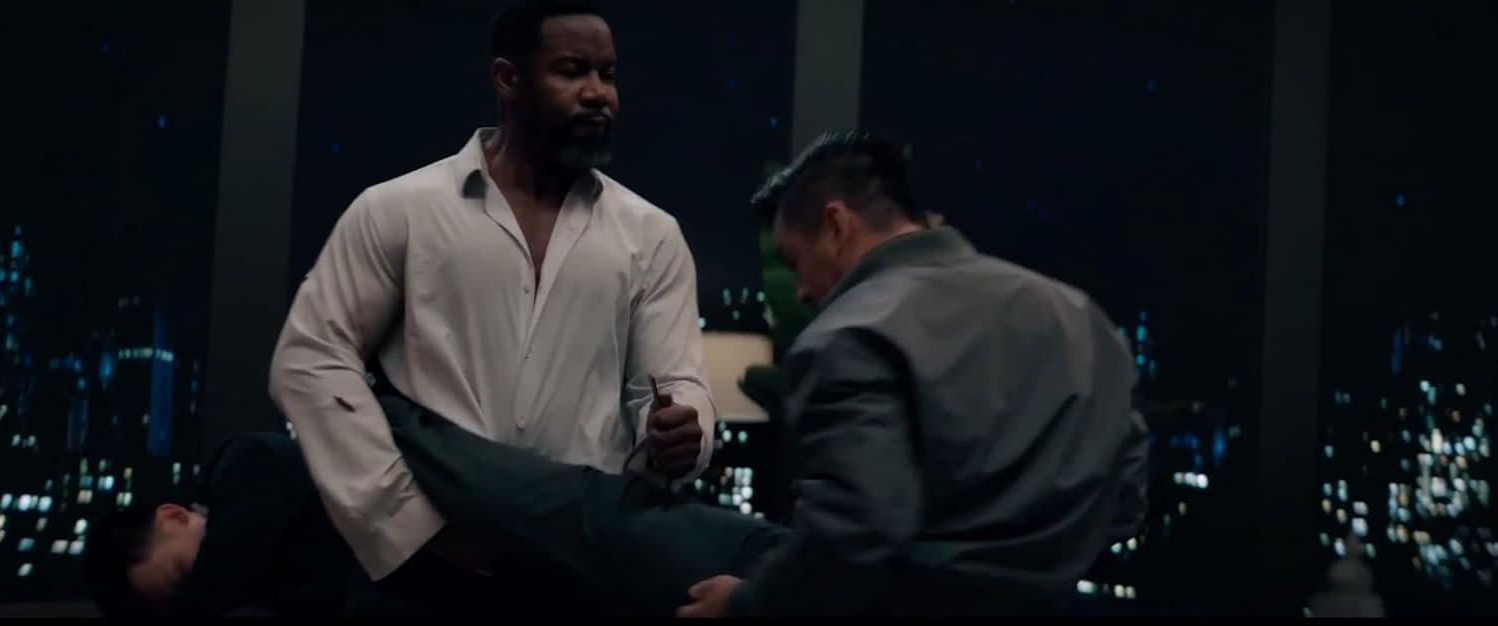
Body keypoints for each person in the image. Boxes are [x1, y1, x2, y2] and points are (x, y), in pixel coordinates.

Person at [371, 130, 1150, 618]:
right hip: (1031, 596)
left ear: (837, 225)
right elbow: (1126, 499)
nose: (802, 292)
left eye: (796, 261)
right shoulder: (1078, 316)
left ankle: (392, 417)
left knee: (592, 514)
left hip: (875, 596)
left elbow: (858, 532)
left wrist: (750, 608)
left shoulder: (855, 330)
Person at [267, 0, 714, 615]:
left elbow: (673, 385)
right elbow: (308, 359)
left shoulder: (652, 235)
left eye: (607, 74)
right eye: (571, 70)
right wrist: (407, 525)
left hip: (577, 571)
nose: (598, 93)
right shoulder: (398, 210)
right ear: (508, 78)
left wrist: (685, 430)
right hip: (422, 576)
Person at [83, 432, 358, 617]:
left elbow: (227, 556)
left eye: (181, 572)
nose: (193, 590)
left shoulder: (244, 463)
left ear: (173, 516)